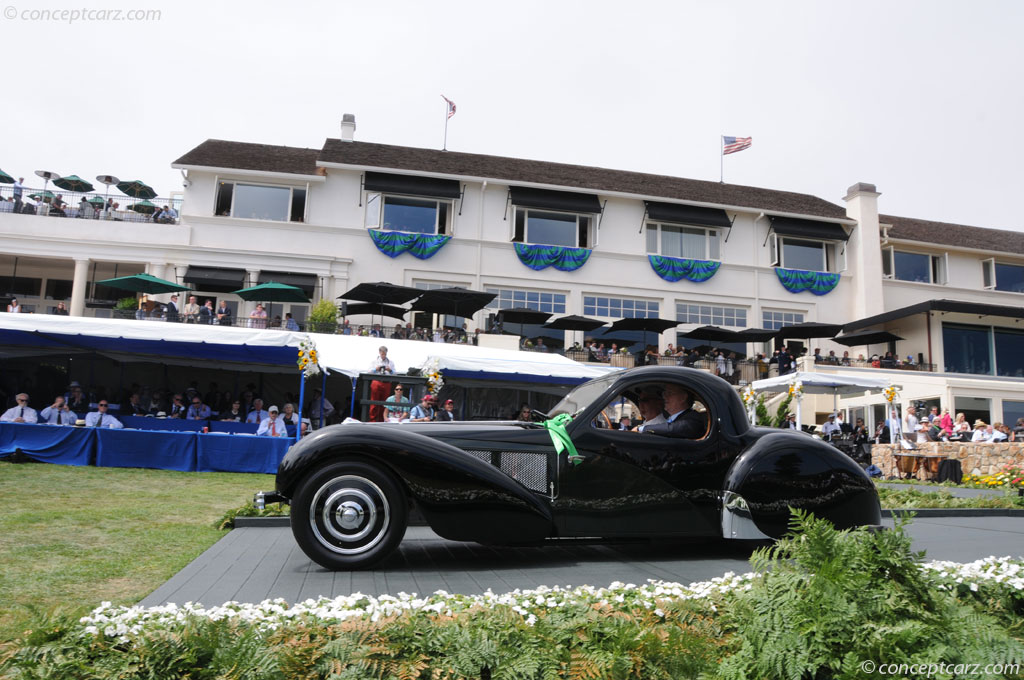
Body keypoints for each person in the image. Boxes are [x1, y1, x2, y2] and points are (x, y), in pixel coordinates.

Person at [640, 384, 705, 438]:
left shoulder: (693, 418)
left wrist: (641, 429)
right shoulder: (671, 419)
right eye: (664, 393)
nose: (665, 397)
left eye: (669, 393)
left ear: (683, 398)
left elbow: (671, 428)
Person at [369, 346, 395, 422]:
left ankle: (381, 420)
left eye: (384, 353)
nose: (383, 355)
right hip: (377, 382)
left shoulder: (390, 362)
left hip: (386, 383)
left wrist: (390, 370)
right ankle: (372, 420)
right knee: (374, 402)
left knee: (384, 403)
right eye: (382, 353)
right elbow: (369, 371)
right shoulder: (374, 361)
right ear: (379, 352)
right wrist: (375, 369)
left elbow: (395, 374)